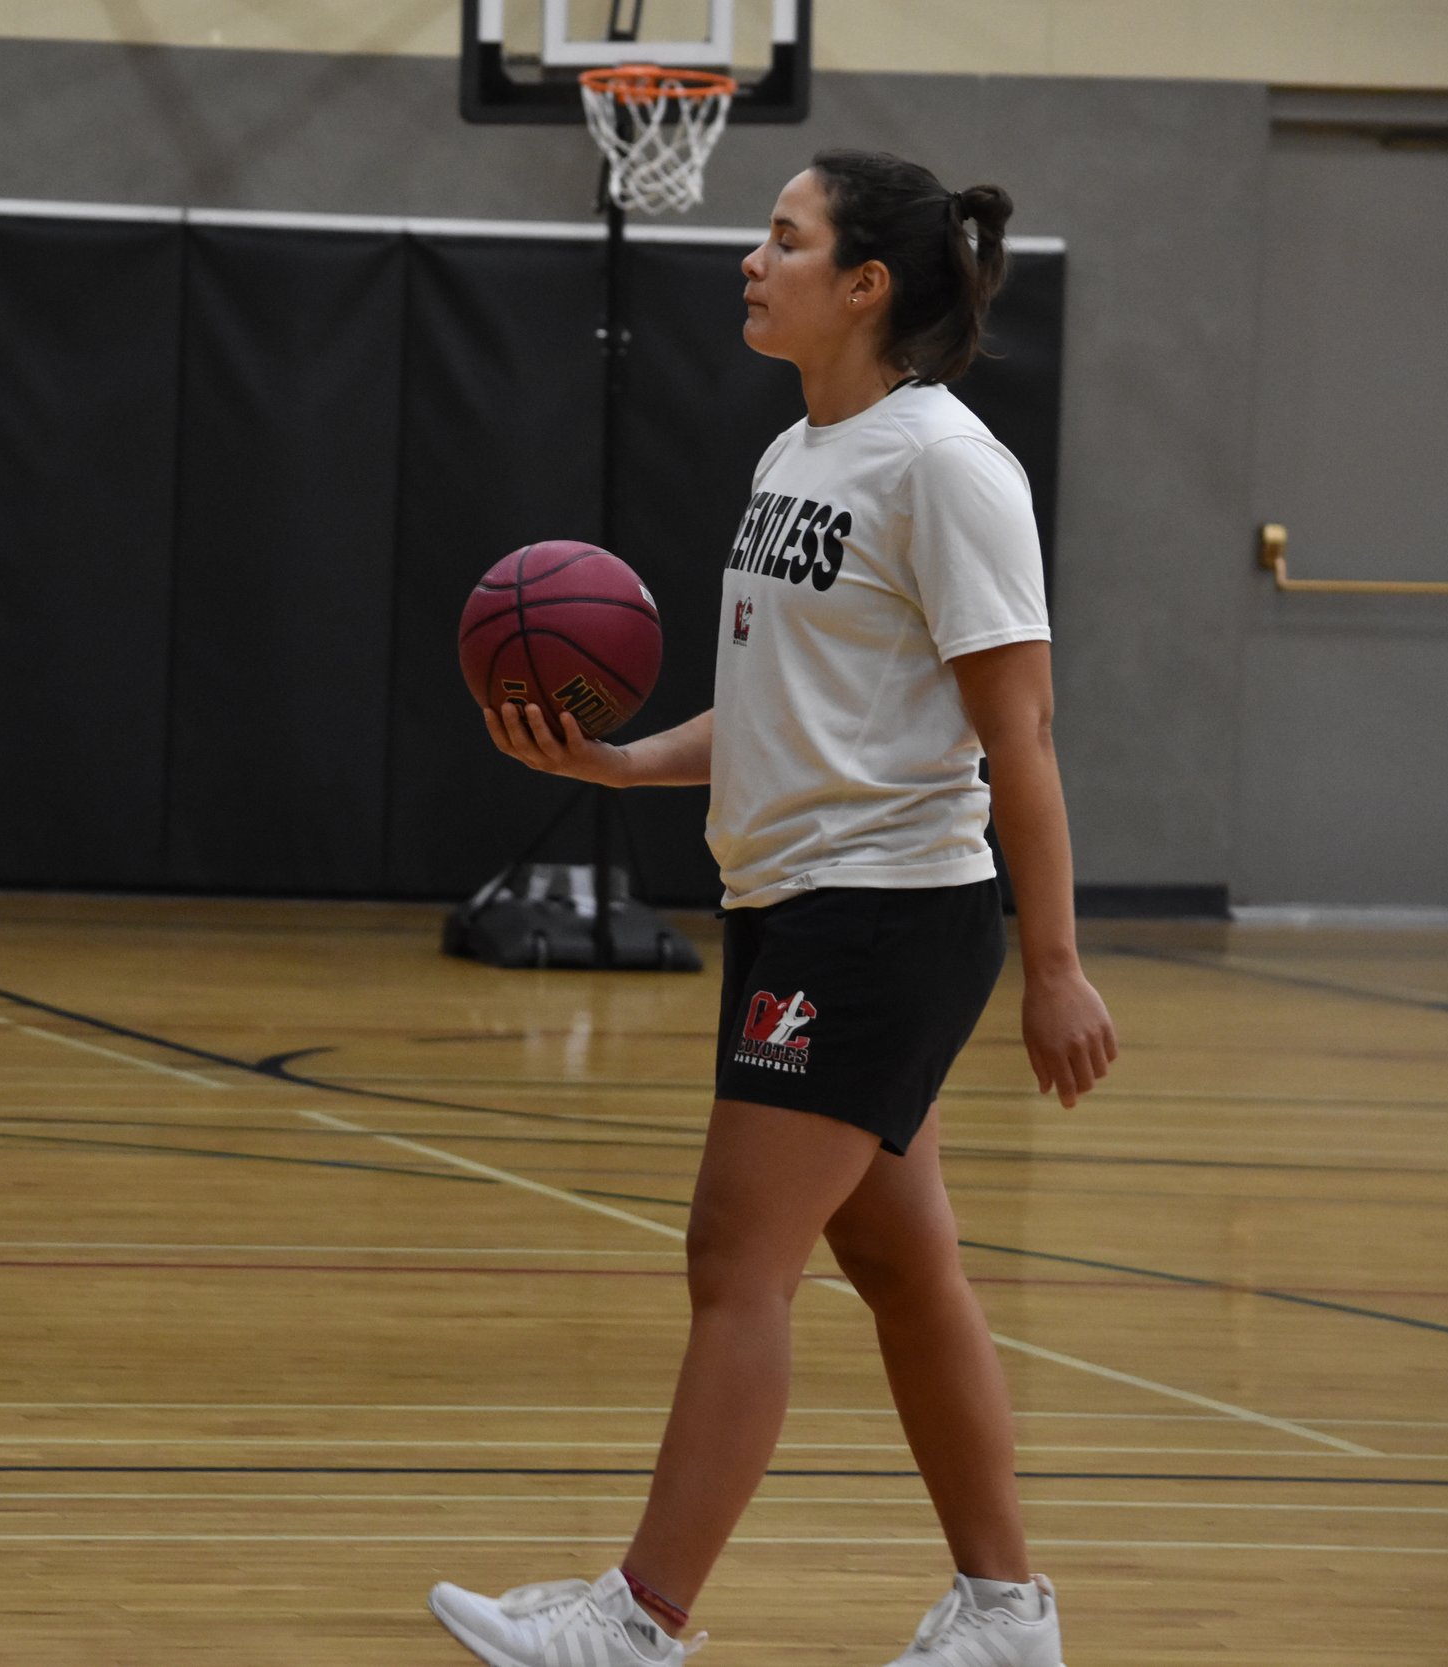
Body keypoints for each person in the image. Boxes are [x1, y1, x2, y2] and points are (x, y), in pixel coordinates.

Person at [429, 150, 1117, 1667]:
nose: (753, 259)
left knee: (735, 1255)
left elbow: (1021, 735)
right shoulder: (796, 454)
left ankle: (639, 1617)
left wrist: (1057, 964)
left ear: (865, 285)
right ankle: (1006, 1614)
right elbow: (773, 713)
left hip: (880, 913)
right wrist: (618, 764)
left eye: (784, 239)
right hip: (794, 901)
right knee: (904, 1269)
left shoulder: (946, 467)